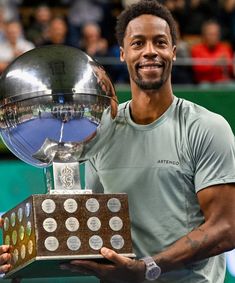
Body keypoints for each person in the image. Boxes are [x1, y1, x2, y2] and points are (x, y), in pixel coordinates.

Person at [1, 1, 235, 282]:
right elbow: (92, 230)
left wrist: (149, 268)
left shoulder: (206, 127)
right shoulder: (102, 127)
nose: (150, 51)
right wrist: (23, 249)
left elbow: (226, 227)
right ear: (123, 54)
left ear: (173, 51)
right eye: (138, 43)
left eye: (160, 42)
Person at [191, 19, 234, 84]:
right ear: (204, 35)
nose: (214, 37)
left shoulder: (225, 48)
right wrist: (215, 63)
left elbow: (230, 69)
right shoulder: (197, 49)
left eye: (216, 34)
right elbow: (197, 69)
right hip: (204, 83)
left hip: (223, 82)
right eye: (211, 34)